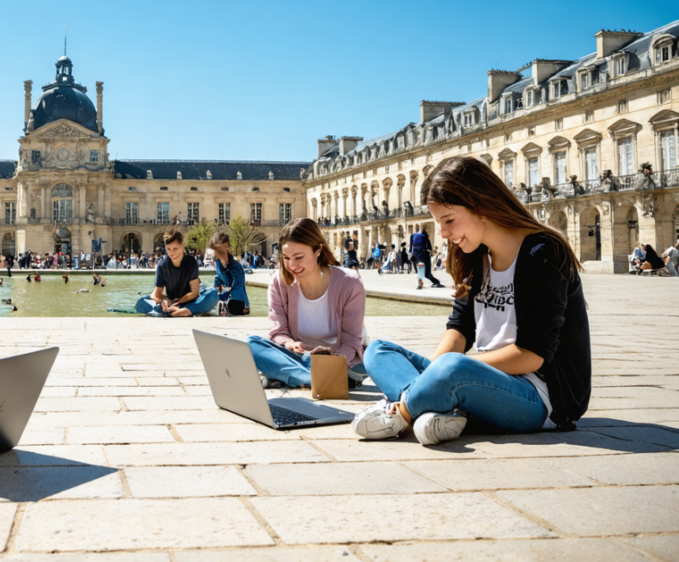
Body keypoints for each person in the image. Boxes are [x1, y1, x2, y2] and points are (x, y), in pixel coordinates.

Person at [352, 155, 590, 446]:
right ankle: (436, 407)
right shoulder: (477, 254)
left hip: (538, 399)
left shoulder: (542, 253)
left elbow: (532, 355)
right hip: (480, 379)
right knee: (378, 349)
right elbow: (460, 328)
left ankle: (401, 412)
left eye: (449, 221)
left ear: (482, 205)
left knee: (453, 368)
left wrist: (448, 372)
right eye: (439, 224)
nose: (444, 235)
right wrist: (436, 374)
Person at [248, 218, 367, 389]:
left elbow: (351, 342)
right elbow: (278, 332)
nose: (291, 265)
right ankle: (315, 379)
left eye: (298, 257)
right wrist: (289, 343)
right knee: (251, 344)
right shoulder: (279, 282)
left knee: (368, 359)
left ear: (318, 250)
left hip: (342, 359)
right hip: (298, 357)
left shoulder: (350, 282)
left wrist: (329, 364)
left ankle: (294, 376)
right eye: (286, 258)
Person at [135, 228, 217, 317]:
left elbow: (194, 293)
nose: (172, 253)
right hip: (171, 300)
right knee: (140, 302)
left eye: (175, 248)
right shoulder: (162, 265)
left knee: (213, 294)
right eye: (169, 249)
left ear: (182, 246)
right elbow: (157, 293)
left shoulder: (191, 262)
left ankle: (184, 310)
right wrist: (164, 302)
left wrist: (176, 303)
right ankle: (182, 310)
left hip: (189, 299)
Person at [209, 230, 250, 315]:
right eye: (216, 250)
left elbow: (238, 286)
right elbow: (218, 279)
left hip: (237, 301)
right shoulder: (218, 262)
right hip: (228, 298)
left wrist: (246, 304)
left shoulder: (235, 266)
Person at [411, 225, 444, 289]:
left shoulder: (413, 236)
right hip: (424, 255)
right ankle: (435, 282)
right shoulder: (424, 236)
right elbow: (429, 246)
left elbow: (410, 248)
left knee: (420, 271)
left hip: (416, 256)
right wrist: (431, 251)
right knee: (427, 274)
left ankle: (420, 284)